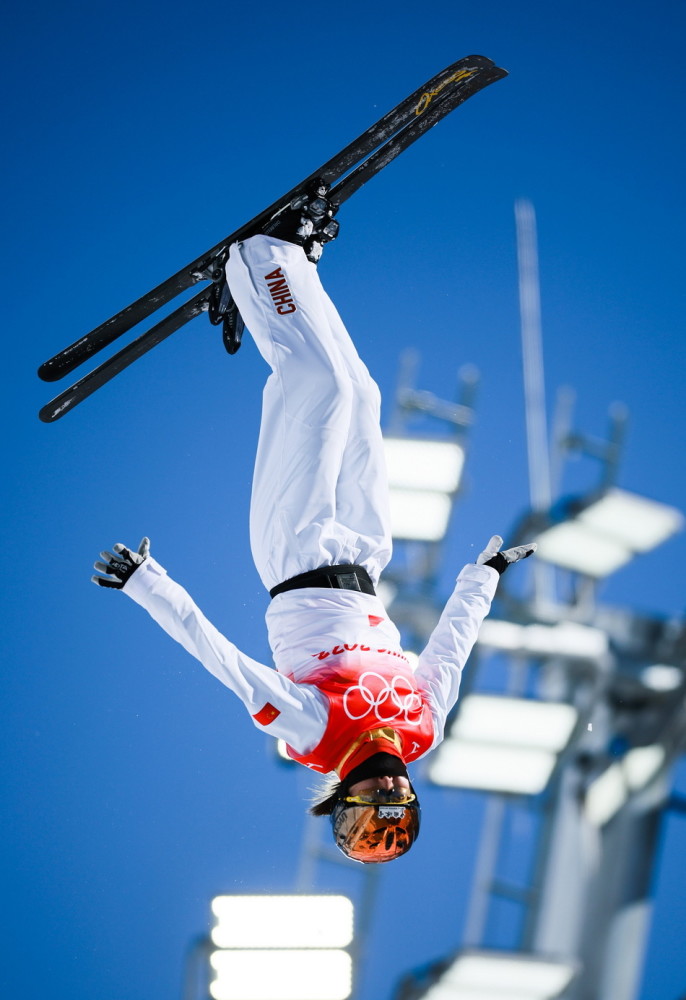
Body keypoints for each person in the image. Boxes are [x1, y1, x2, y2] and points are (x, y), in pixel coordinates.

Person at [92, 185, 536, 863]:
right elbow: (450, 652)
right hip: (366, 555)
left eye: (375, 798)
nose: (391, 782)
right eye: (400, 795)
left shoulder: (314, 734)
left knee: (316, 391)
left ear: (350, 799)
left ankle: (259, 260)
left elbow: (226, 664)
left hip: (294, 553)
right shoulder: (423, 730)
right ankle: (295, 268)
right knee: (358, 393)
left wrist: (147, 585)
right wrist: (484, 578)